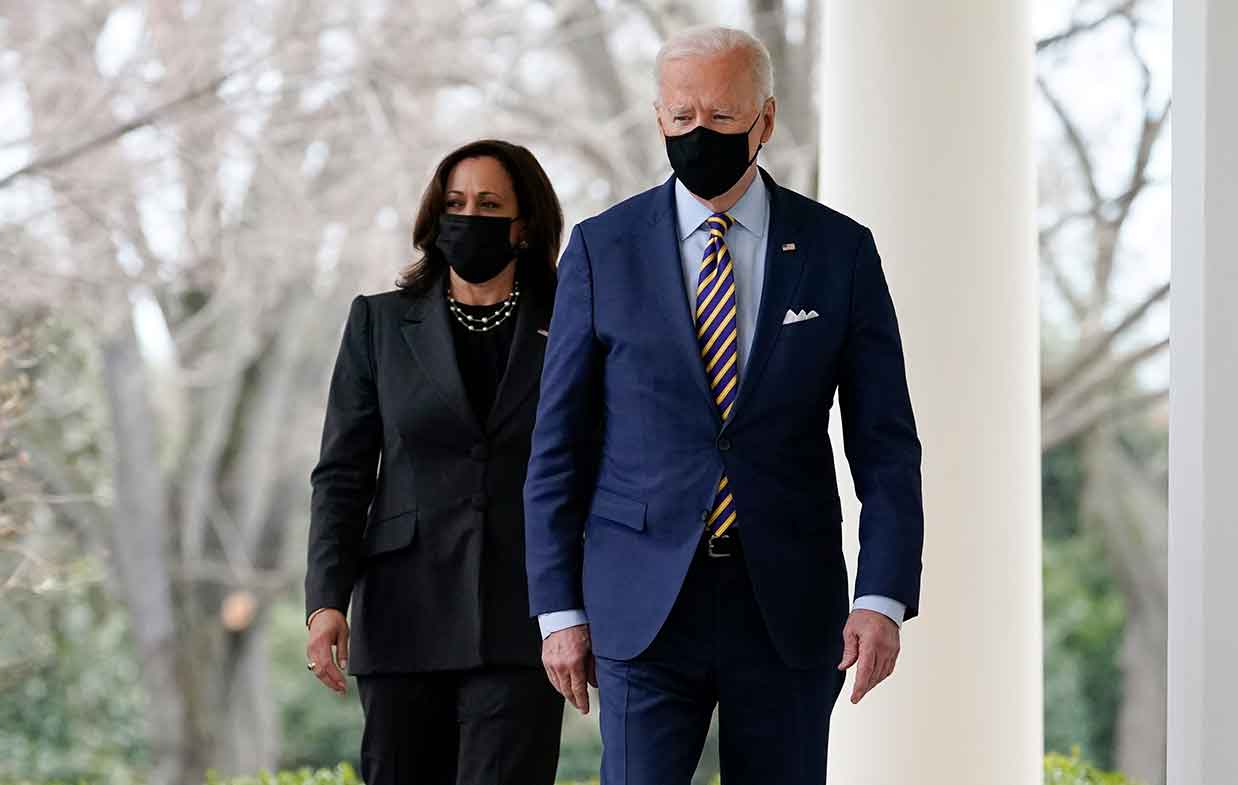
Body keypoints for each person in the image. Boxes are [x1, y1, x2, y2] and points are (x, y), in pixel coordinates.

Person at [524, 25, 924, 785]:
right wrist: (559, 610)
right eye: (681, 118)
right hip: (641, 606)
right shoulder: (600, 251)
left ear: (765, 121)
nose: (697, 134)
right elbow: (557, 450)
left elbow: (886, 444)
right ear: (658, 118)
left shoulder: (840, 252)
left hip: (788, 602)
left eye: (721, 118)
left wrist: (883, 594)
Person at [305, 139, 565, 785]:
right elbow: (342, 472)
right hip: (403, 615)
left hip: (523, 618)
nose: (467, 216)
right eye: (454, 202)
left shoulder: (568, 324)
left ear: (523, 222)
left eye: (488, 203)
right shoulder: (380, 323)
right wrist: (326, 601)